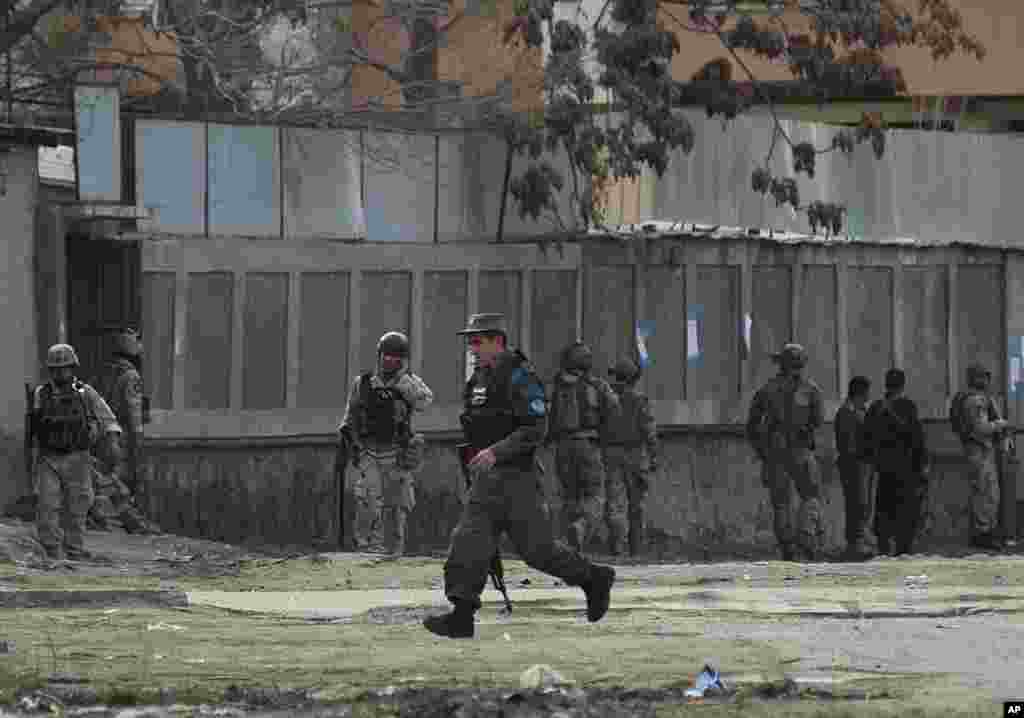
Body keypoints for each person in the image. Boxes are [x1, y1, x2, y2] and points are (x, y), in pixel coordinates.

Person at [423, 313, 616, 639]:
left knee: (538, 551)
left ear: (497, 341)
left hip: (518, 479)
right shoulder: (478, 379)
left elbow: (535, 428)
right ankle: (462, 615)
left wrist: (496, 452)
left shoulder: (519, 376)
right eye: (470, 342)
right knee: (468, 543)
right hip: (487, 481)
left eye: (477, 341)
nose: (472, 348)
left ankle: (594, 578)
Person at [337, 331, 433, 556]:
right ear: (379, 355)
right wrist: (354, 449)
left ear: (403, 359)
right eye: (386, 355)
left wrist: (403, 382)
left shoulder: (408, 381)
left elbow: (424, 402)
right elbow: (349, 420)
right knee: (368, 503)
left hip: (396, 455)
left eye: (396, 357)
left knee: (395, 508)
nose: (390, 360)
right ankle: (368, 551)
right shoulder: (362, 383)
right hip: (369, 453)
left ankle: (393, 553)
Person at [27, 343, 123, 561]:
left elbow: (107, 418)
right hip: (48, 457)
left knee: (78, 506)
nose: (61, 373)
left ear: (72, 368)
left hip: (78, 457)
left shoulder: (85, 393)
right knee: (47, 504)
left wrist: (113, 442)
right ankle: (52, 550)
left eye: (65, 368)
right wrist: (31, 459)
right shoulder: (42, 394)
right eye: (56, 369)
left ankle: (74, 550)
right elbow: (34, 428)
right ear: (50, 370)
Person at [745, 343, 826, 561]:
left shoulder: (767, 390)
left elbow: (752, 425)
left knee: (781, 503)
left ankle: (788, 548)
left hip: (776, 452)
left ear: (781, 364)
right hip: (801, 451)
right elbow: (818, 421)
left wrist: (762, 451)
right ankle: (806, 537)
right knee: (811, 496)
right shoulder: (811, 390)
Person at [548, 340, 620, 552]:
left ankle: (567, 544)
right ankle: (580, 528)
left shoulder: (554, 386)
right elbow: (614, 411)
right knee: (594, 496)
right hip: (588, 445)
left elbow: (544, 416)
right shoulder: (598, 386)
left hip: (562, 447)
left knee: (569, 497)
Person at [94, 327, 160, 535]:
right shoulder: (131, 376)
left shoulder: (103, 371)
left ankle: (114, 520)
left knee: (108, 480)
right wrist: (138, 440)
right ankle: (133, 523)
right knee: (124, 483)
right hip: (121, 436)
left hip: (102, 433)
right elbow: (134, 413)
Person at [862, 369, 928, 556]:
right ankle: (902, 550)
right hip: (907, 469)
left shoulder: (876, 408)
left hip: (884, 469)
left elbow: (866, 438)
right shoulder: (908, 406)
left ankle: (883, 548)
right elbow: (917, 439)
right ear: (903, 385)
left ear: (886, 384)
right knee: (905, 510)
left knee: (884, 508)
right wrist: (923, 466)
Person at [603, 357, 659, 557]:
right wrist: (654, 455)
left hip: (612, 455)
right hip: (636, 456)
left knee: (614, 503)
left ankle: (617, 548)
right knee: (637, 505)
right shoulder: (640, 400)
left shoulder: (607, 399)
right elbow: (649, 429)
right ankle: (636, 549)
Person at [950, 362, 1009, 551]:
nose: (987, 380)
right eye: (983, 377)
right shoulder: (975, 401)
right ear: (976, 379)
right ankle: (982, 533)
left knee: (987, 493)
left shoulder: (975, 398)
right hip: (979, 450)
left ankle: (985, 531)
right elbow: (980, 428)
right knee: (985, 493)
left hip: (979, 450)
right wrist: (999, 424)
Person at [834, 375, 876, 560]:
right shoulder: (847, 412)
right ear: (860, 393)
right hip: (854, 464)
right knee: (856, 503)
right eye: (866, 392)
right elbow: (849, 443)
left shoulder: (860, 411)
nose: (868, 396)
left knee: (863, 503)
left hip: (863, 464)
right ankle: (855, 543)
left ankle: (860, 540)